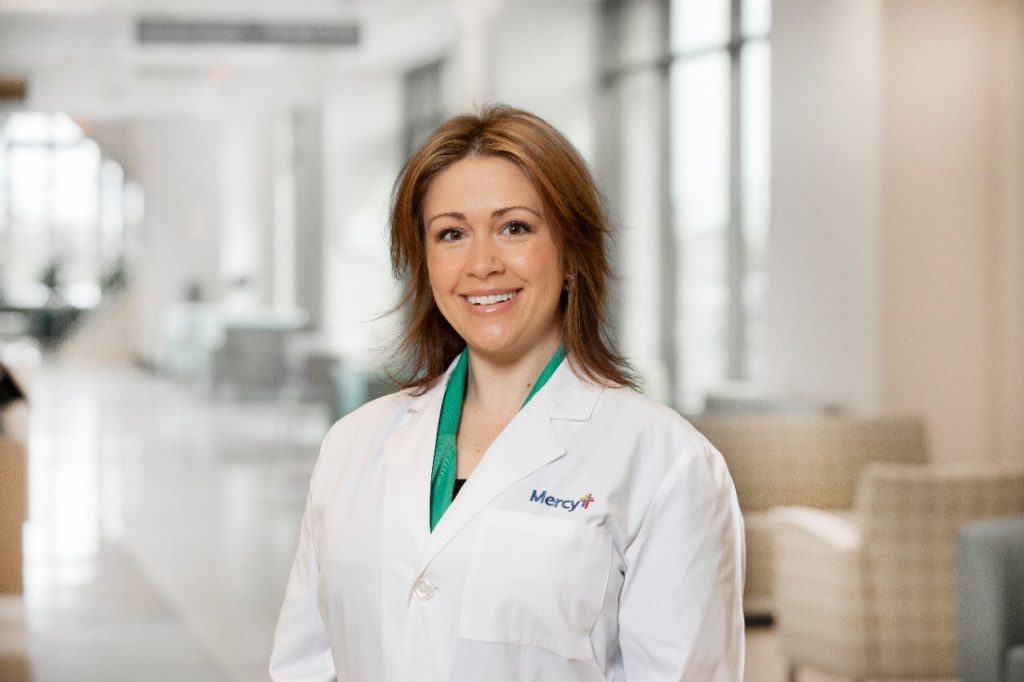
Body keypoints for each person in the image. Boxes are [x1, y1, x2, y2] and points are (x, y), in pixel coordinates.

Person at [270, 105, 745, 681]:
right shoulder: (352, 444)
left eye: (514, 227)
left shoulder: (665, 461)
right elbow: (304, 664)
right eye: (451, 234)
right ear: (425, 265)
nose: (482, 264)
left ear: (572, 252)